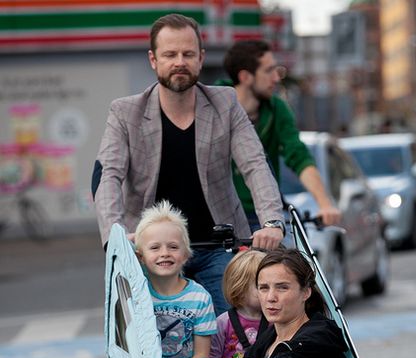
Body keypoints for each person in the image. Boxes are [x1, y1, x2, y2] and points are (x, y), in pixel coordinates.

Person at [92, 14, 286, 315]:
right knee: (151, 342)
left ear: (201, 58)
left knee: (231, 332)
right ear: (153, 60)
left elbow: (255, 164)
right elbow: (108, 176)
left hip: (217, 246)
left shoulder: (225, 103)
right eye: (170, 54)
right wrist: (115, 236)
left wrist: (272, 221)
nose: (179, 61)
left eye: (188, 54)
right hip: (153, 252)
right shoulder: (125, 112)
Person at [154, 248, 364, 358]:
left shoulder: (319, 333)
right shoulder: (271, 334)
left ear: (306, 292)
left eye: (282, 288)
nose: (270, 298)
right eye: (263, 288)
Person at [219, 40, 341, 231]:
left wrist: (324, 203)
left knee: (293, 257)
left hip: (267, 216)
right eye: (269, 71)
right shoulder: (212, 105)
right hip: (220, 220)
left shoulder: (277, 109)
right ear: (245, 77)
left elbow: (299, 156)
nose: (277, 78)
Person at [135, 200, 217, 358]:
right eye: (155, 247)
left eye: (173, 247)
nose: (164, 253)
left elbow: (201, 354)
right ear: (141, 257)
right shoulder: (136, 298)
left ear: (186, 255)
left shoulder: (199, 298)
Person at [209, 248, 267, 358]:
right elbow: (214, 356)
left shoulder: (274, 321)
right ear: (240, 288)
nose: (269, 293)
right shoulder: (224, 322)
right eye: (262, 287)